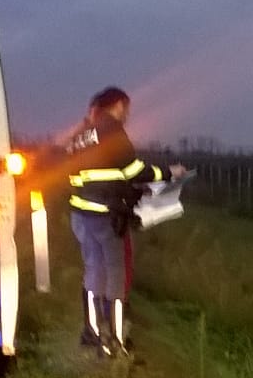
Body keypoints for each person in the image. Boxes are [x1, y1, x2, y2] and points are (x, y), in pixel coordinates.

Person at [62, 87, 187, 355]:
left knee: (93, 270)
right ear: (118, 105)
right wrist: (169, 172)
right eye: (126, 109)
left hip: (81, 213)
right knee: (115, 275)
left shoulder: (82, 134)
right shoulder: (111, 129)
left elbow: (88, 174)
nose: (127, 115)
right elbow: (132, 169)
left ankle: (93, 333)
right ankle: (116, 341)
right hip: (105, 214)